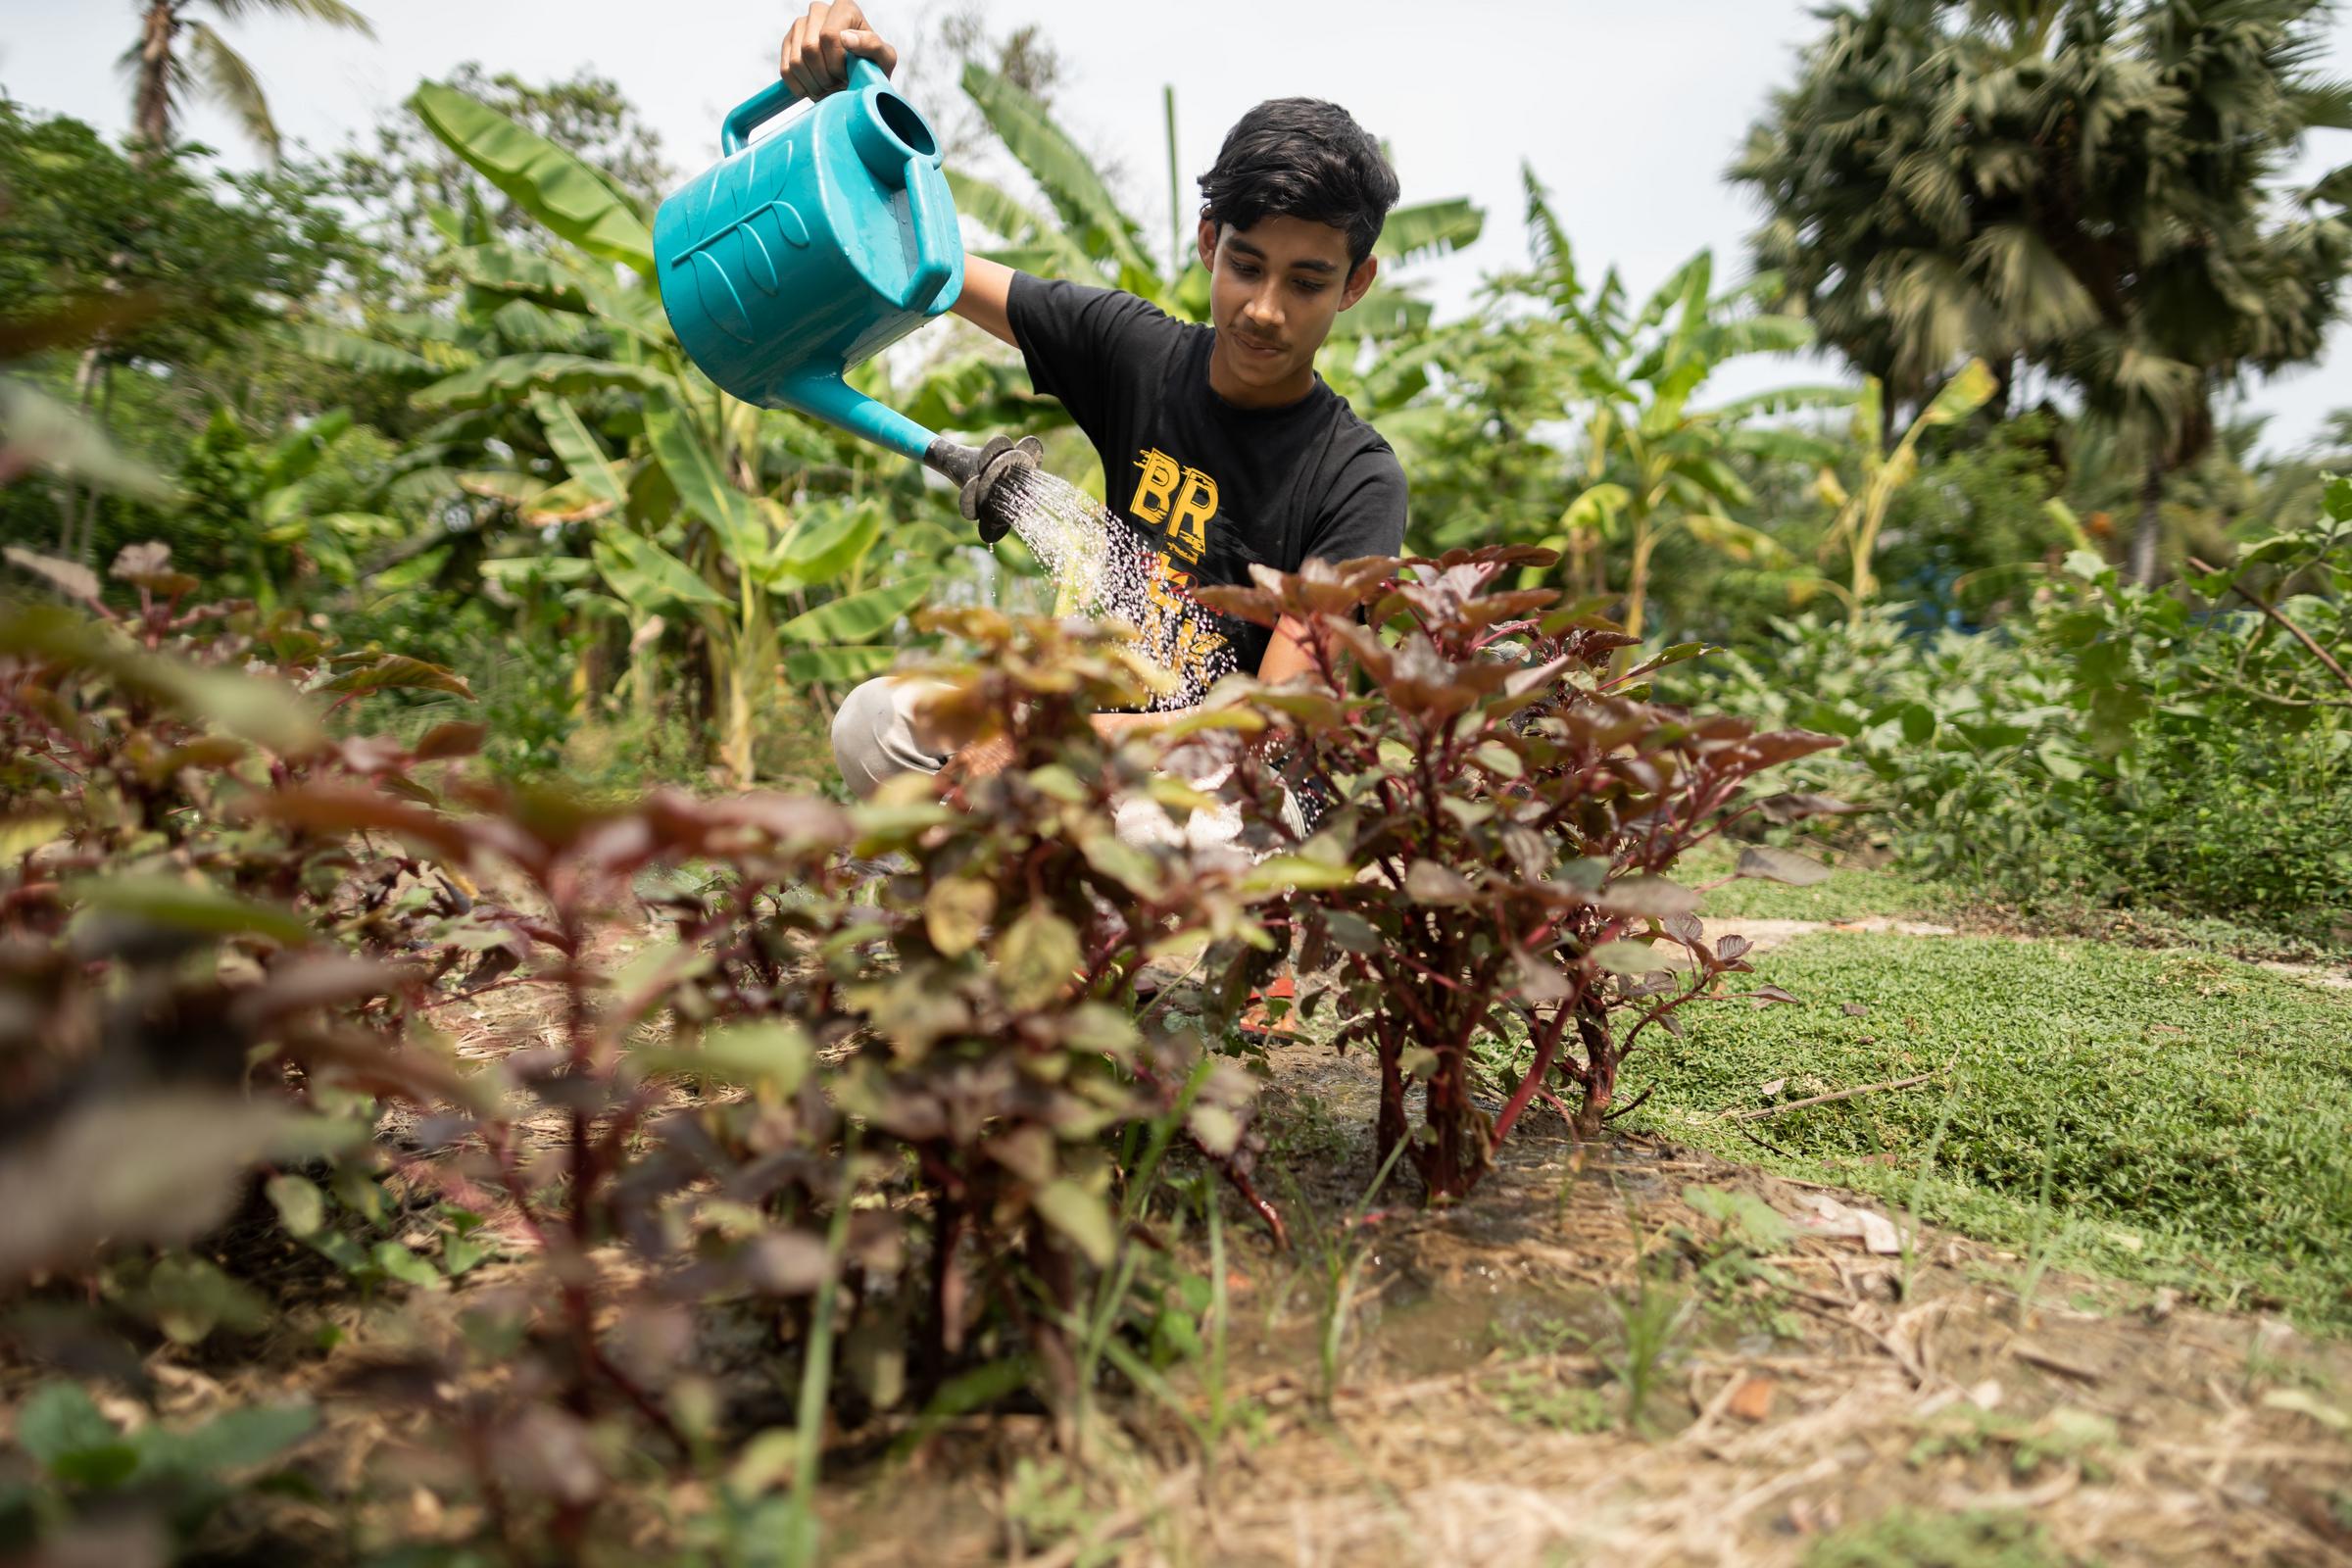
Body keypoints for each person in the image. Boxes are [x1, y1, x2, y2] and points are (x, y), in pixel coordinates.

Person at [793, 2, 1409, 813]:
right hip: (1106, 733)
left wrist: (1045, 743)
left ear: (1354, 285)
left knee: (1164, 822)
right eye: (1246, 265)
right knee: (874, 722)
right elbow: (929, 256)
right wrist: (855, 106)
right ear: (1208, 242)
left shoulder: (1357, 478)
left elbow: (1276, 721)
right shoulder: (1137, 353)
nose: (1264, 309)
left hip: (1235, 789)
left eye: (1307, 281)